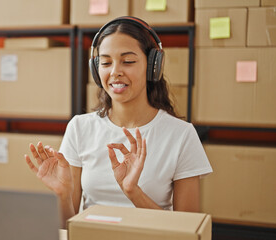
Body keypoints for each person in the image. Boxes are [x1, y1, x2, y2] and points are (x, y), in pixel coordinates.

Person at [25, 16, 213, 228]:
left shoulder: (181, 135)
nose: (115, 72)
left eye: (128, 61)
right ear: (96, 70)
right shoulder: (80, 128)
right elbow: (67, 229)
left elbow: (187, 231)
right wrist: (62, 194)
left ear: (153, 66)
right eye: (105, 62)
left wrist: (133, 191)